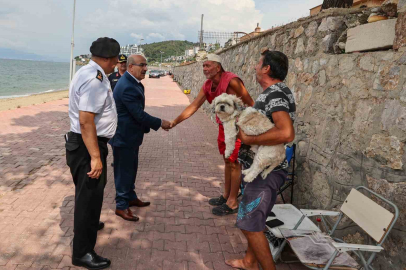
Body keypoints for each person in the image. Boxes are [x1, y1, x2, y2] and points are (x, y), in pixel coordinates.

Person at [225, 49, 295, 270]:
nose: (255, 66)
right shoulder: (275, 92)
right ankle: (248, 261)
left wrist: (247, 137)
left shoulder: (275, 94)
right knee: (255, 219)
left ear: (267, 68)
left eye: (258, 63)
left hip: (266, 172)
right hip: (259, 168)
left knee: (249, 224)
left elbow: (286, 133)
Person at [170, 54, 254, 216]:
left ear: (218, 67)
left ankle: (232, 202)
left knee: (234, 162)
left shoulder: (232, 81)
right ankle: (226, 195)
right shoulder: (208, 84)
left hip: (236, 127)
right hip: (223, 126)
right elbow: (194, 106)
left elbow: (250, 103)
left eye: (208, 66)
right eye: (203, 66)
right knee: (227, 161)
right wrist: (175, 122)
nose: (205, 69)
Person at [65, 37, 120, 269]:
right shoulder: (95, 79)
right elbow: (86, 121)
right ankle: (82, 253)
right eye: (116, 59)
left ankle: (88, 225)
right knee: (89, 199)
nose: (117, 64)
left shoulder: (86, 71)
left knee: (87, 197)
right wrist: (96, 157)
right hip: (88, 146)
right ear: (108, 58)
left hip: (84, 145)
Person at [109, 54, 171, 222]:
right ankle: (121, 206)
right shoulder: (127, 86)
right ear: (130, 67)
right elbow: (138, 114)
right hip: (123, 137)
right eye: (141, 65)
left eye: (146, 64)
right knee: (123, 172)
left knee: (131, 169)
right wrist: (160, 123)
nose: (145, 68)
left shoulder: (133, 83)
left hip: (131, 137)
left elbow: (137, 113)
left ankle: (130, 197)